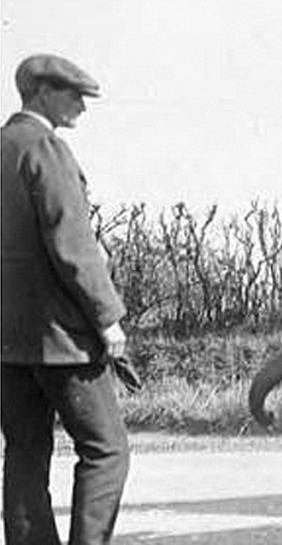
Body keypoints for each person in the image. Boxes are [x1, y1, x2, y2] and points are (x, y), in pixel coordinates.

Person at [1, 54, 130, 545]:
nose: (81, 105)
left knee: (25, 453)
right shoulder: (45, 150)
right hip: (62, 341)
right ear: (39, 93)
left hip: (6, 344)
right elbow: (72, 245)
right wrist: (108, 318)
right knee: (107, 449)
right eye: (72, 93)